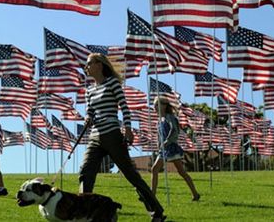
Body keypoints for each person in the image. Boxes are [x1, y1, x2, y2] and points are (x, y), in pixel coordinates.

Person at [80, 53, 166, 222]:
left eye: (89, 64)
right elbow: (89, 111)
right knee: (85, 172)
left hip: (112, 133)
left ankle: (157, 212)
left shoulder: (112, 83)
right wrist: (87, 118)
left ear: (99, 65)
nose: (86, 67)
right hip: (95, 135)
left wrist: (127, 128)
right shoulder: (89, 90)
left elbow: (124, 107)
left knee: (131, 175)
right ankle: (84, 212)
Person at [150, 96, 200, 201]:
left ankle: (195, 194)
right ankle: (152, 195)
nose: (154, 108)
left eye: (156, 105)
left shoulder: (170, 117)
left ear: (163, 106)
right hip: (164, 149)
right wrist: (159, 143)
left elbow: (175, 131)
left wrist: (167, 141)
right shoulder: (160, 120)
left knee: (180, 172)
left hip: (171, 148)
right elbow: (160, 135)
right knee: (155, 169)